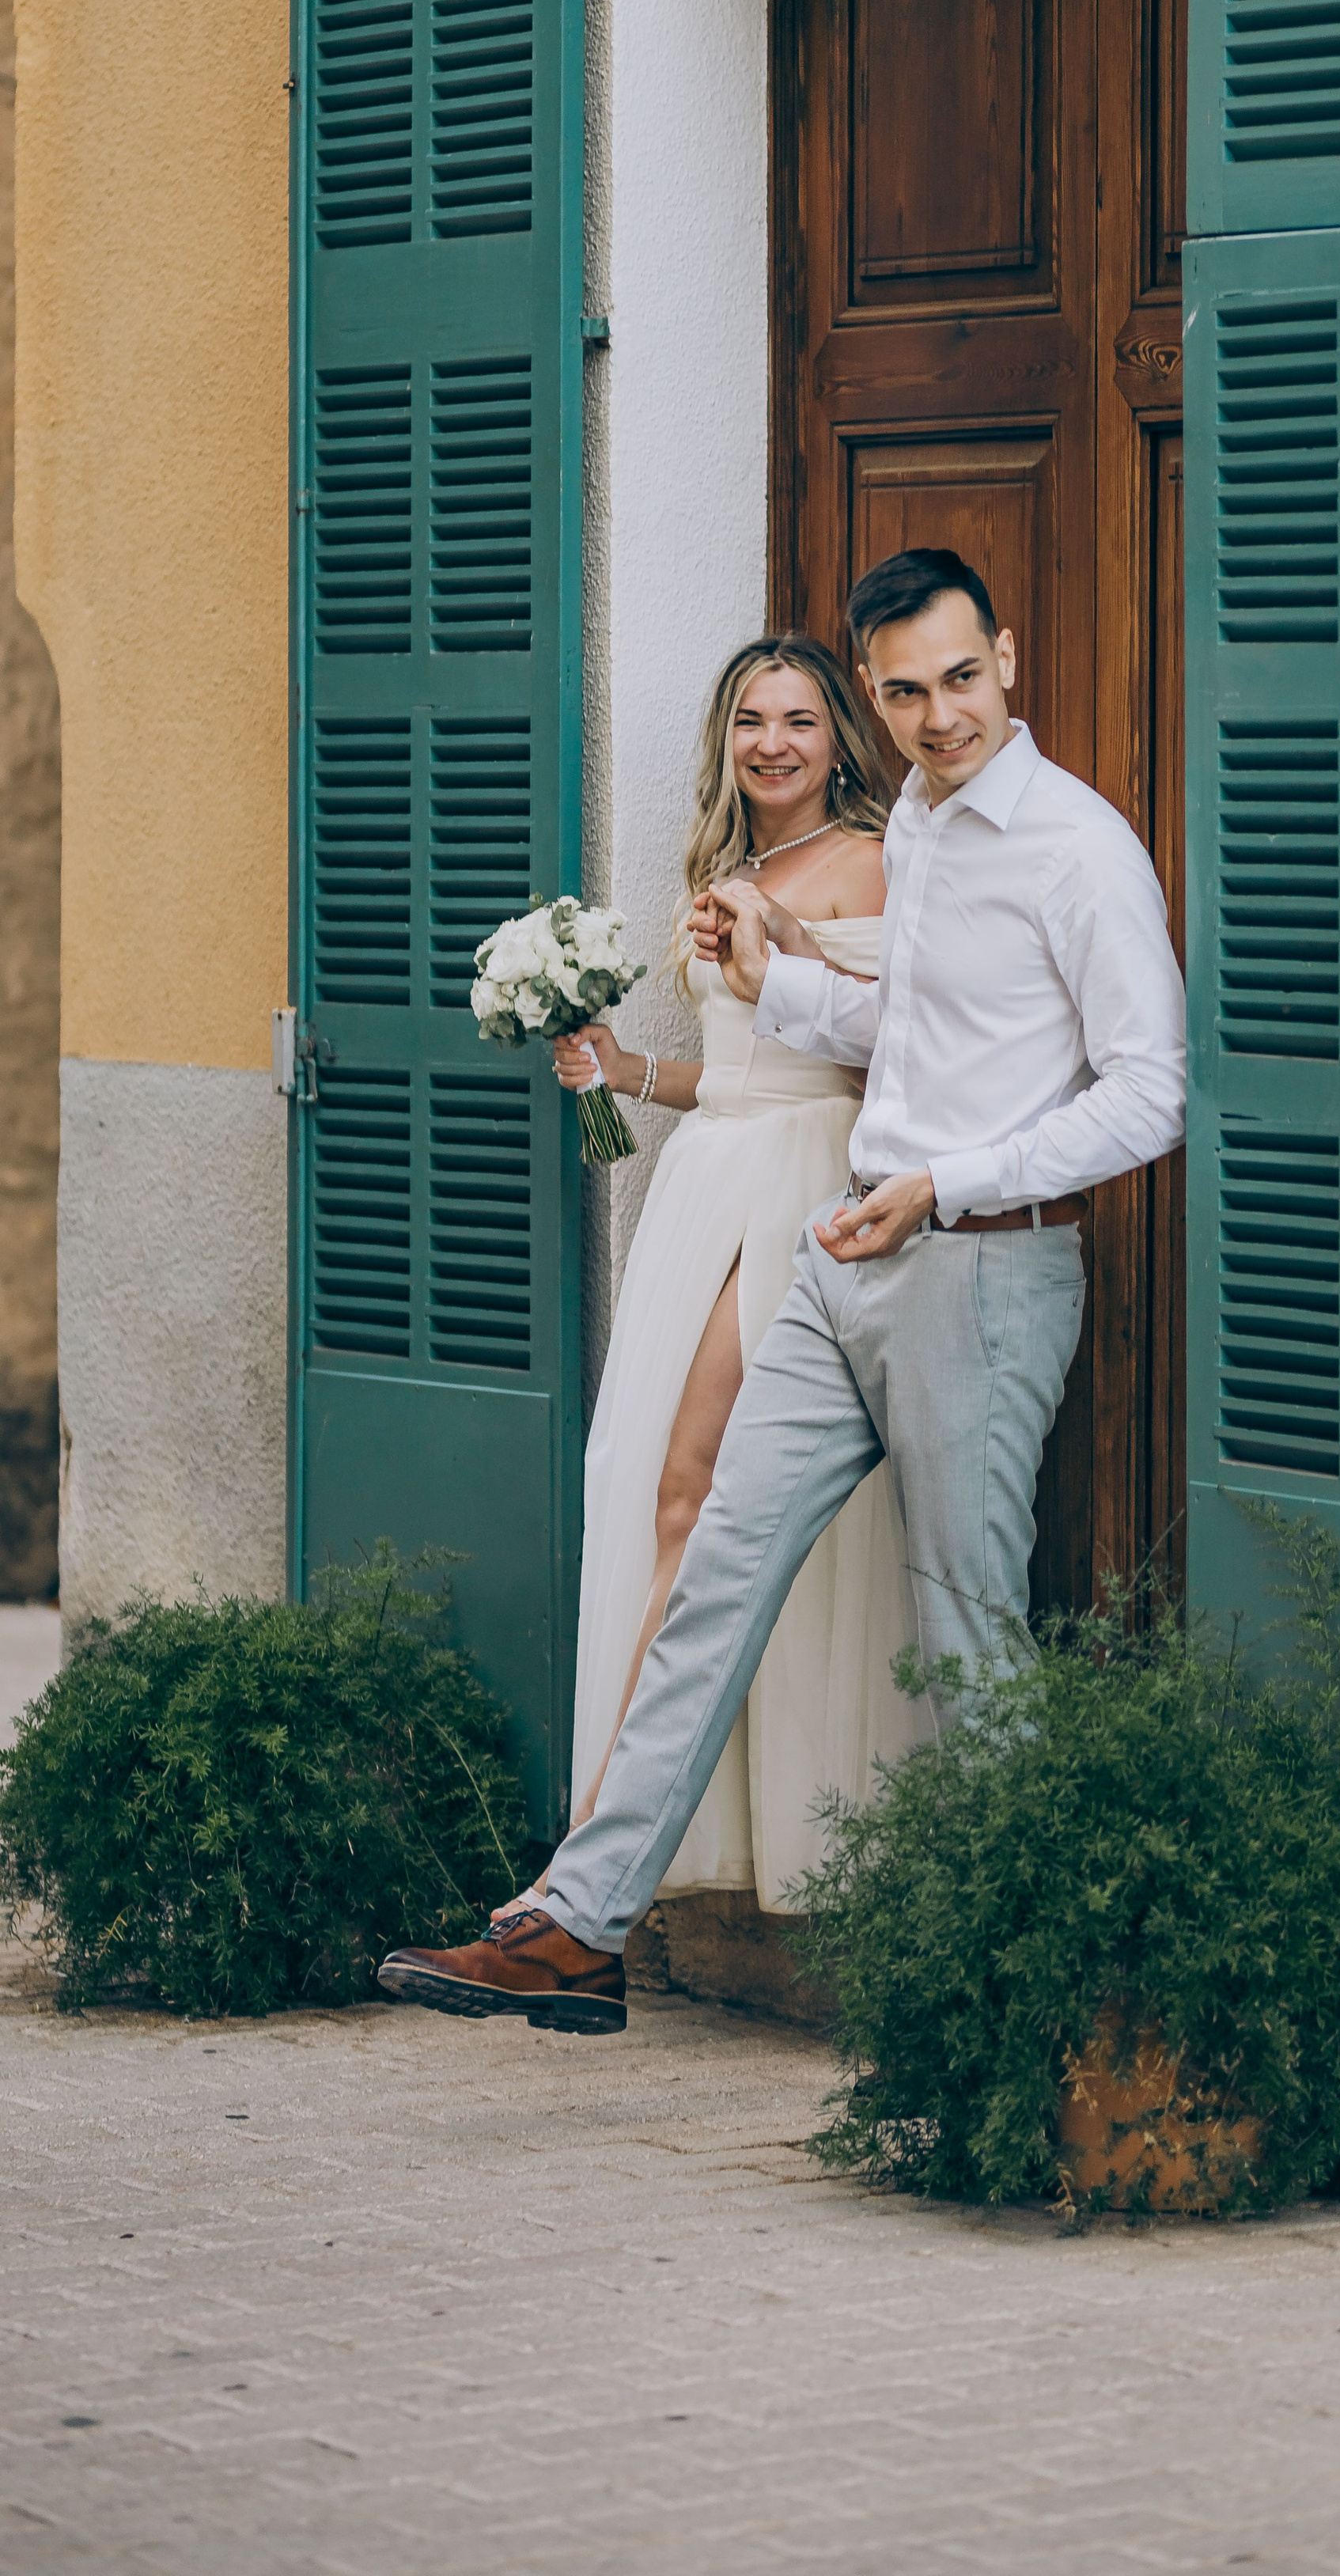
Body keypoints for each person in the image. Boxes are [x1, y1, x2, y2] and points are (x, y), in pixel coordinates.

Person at [378, 548, 1187, 2034]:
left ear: (1007, 658)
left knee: (969, 1638)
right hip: (841, 1251)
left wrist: (948, 1184)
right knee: (712, 1579)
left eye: (959, 678)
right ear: (874, 701)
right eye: (905, 693)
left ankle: (1052, 1999)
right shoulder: (929, 827)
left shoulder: (1078, 849)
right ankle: (580, 1922)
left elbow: (1151, 1096)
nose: (938, 716)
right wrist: (772, 972)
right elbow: (911, 1024)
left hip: (980, 1271)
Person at [493, 631, 918, 1925]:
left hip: (806, 1188)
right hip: (709, 1182)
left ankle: (587, 1866)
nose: (773, 743)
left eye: (798, 719)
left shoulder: (884, 857)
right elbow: (733, 1072)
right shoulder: (720, 866)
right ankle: (620, 1848)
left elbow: (897, 1048)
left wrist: (785, 947)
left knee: (691, 1486)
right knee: (645, 1485)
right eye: (749, 720)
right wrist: (624, 1071)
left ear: (842, 736)